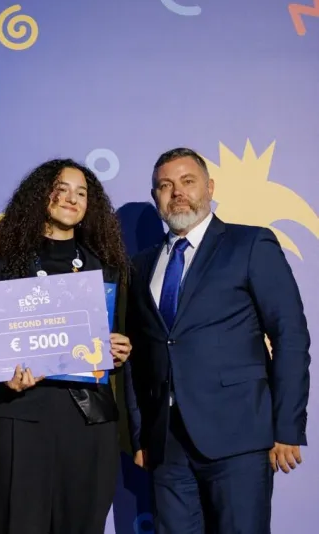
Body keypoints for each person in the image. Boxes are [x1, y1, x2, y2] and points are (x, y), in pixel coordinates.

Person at [127, 147, 311, 534]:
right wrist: (141, 434)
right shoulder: (140, 265)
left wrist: (286, 426)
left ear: (209, 187)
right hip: (167, 445)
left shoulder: (250, 244)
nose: (177, 192)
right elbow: (136, 354)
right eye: (165, 185)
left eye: (187, 181)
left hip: (240, 436)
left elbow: (290, 335)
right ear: (155, 196)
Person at [0, 158, 135, 534]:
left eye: (81, 193)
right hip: (24, 417)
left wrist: (119, 351)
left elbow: (112, 343)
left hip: (88, 422)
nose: (71, 199)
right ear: (41, 196)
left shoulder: (107, 268)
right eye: (61, 190)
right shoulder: (4, 267)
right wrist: (5, 375)